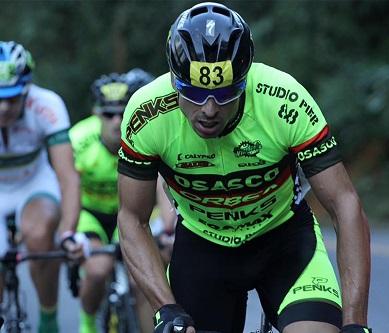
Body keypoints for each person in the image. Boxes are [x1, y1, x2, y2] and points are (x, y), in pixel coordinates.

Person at [117, 2, 372, 333]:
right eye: (193, 93)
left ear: (244, 79)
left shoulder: (283, 100)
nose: (209, 109)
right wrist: (165, 309)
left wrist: (356, 322)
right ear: (174, 80)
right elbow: (132, 218)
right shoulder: (147, 115)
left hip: (284, 243)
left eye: (225, 94)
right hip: (203, 250)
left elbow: (345, 204)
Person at [70, 68, 177, 333]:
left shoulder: (144, 134)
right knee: (97, 270)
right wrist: (69, 232)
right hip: (91, 214)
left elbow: (162, 183)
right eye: (108, 114)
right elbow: (65, 190)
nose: (117, 120)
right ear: (96, 113)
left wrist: (167, 226)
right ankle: (87, 324)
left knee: (143, 281)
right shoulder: (78, 140)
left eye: (122, 112)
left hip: (129, 215)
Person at [0, 41, 82, 333]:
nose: (4, 107)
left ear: (26, 89)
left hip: (33, 182)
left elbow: (68, 177)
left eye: (11, 97)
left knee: (40, 235)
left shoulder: (46, 104)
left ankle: (49, 320)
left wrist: (68, 232)